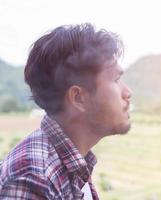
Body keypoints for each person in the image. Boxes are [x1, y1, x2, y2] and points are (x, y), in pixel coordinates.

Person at [0, 23, 132, 199]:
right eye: (116, 79)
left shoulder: (71, 163)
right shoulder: (33, 179)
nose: (128, 93)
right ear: (78, 98)